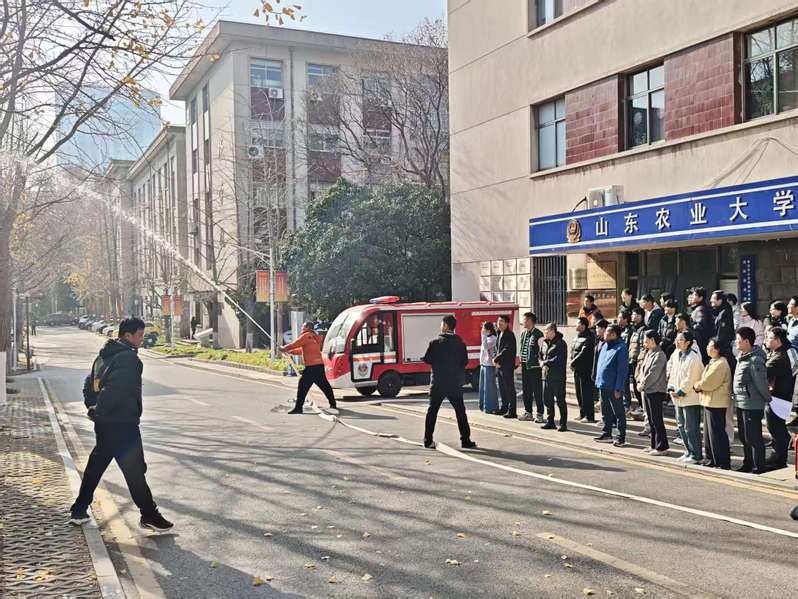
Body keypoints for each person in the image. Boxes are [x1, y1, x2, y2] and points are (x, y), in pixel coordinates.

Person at [69, 317, 173, 531]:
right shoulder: (128, 359)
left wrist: (92, 407)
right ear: (128, 335)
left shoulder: (105, 354)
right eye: (140, 335)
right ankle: (149, 515)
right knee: (134, 472)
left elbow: (90, 383)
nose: (142, 339)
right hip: (122, 424)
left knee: (96, 468)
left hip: (105, 424)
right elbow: (115, 390)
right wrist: (99, 409)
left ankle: (78, 510)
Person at [422, 315, 476, 449]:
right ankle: (465, 440)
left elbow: (427, 359)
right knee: (460, 411)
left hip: (438, 382)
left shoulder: (434, 343)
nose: (440, 326)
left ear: (445, 326)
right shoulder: (460, 344)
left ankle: (428, 440)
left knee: (432, 411)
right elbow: (464, 362)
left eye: (442, 324)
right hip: (454, 383)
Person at [733, 326, 770, 474]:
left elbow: (761, 383)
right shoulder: (742, 357)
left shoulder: (755, 360)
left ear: (747, 341)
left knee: (753, 437)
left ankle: (758, 466)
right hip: (741, 402)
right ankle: (748, 464)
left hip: (752, 404)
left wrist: (768, 399)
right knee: (744, 437)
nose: (736, 342)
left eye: (738, 340)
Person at [693, 338, 732, 470]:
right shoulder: (714, 362)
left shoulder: (721, 363)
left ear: (717, 349)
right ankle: (711, 458)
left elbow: (708, 382)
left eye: (710, 346)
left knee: (717, 433)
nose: (707, 348)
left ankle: (721, 461)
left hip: (717, 402)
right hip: (710, 401)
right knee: (709, 433)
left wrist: (697, 385)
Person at [282, 321, 337, 413]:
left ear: (307, 327)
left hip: (311, 367)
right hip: (319, 366)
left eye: (303, 327)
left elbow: (295, 344)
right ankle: (333, 403)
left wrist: (284, 348)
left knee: (302, 386)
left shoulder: (306, 335)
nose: (302, 328)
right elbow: (304, 350)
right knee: (325, 386)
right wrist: (291, 352)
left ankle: (298, 408)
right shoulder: (314, 337)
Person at [667, 331, 704, 464]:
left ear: (688, 343)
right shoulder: (677, 354)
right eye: (676, 340)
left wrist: (680, 392)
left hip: (690, 398)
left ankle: (696, 455)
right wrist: (671, 388)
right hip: (677, 398)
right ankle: (688, 451)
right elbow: (672, 372)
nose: (677, 342)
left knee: (691, 427)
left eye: (680, 340)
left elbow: (691, 378)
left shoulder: (693, 357)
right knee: (681, 426)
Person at [594, 324, 629, 447]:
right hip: (603, 384)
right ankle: (607, 433)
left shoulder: (621, 348)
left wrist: (618, 388)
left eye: (607, 333)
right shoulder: (604, 346)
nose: (605, 335)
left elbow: (622, 370)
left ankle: (621, 437)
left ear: (614, 335)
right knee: (605, 411)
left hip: (613, 387)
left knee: (618, 413)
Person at [764, 326, 793, 470]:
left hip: (778, 398)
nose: (766, 340)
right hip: (778, 397)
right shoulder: (777, 353)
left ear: (778, 340)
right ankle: (776, 457)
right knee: (775, 429)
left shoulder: (779, 357)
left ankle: (779, 460)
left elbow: (764, 371)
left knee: (777, 429)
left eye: (769, 338)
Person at [637, 330, 669, 455]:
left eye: (646, 340)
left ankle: (662, 447)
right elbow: (642, 370)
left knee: (657, 420)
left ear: (652, 340)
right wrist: (639, 382)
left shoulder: (660, 355)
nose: (644, 343)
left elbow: (653, 375)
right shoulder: (649, 353)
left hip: (656, 390)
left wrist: (642, 385)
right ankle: (654, 445)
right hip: (647, 390)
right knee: (651, 420)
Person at [541, 322, 568, 431]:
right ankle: (550, 421)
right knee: (547, 399)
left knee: (560, 400)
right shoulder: (545, 342)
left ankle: (563, 423)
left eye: (546, 331)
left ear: (553, 331)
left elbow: (559, 359)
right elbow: (540, 355)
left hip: (558, 377)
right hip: (547, 376)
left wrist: (546, 363)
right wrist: (542, 363)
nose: (545, 333)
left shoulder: (561, 343)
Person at [518, 312, 544, 422]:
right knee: (526, 390)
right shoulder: (524, 333)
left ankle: (540, 414)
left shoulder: (538, 334)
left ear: (530, 321)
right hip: (525, 366)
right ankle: (528, 412)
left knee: (537, 391)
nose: (523, 322)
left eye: (525, 320)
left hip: (535, 367)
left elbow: (542, 351)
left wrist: (542, 363)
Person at [570, 317, 596, 423]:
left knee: (586, 393)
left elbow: (583, 353)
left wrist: (573, 362)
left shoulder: (589, 337)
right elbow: (573, 350)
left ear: (583, 325)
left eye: (577, 323)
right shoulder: (577, 336)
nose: (576, 325)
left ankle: (589, 416)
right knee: (579, 393)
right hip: (577, 369)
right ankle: (582, 413)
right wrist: (572, 362)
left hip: (586, 369)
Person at [493, 315, 518, 419]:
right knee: (502, 388)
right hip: (499, 365)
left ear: (507, 323)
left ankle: (512, 411)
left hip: (507, 366)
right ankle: (504, 407)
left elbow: (507, 350)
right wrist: (495, 358)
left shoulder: (509, 335)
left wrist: (496, 358)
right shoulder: (499, 333)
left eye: (502, 321)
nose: (499, 323)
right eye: (498, 321)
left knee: (509, 388)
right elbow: (496, 349)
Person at [626, 307, 646, 416]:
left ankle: (643, 406)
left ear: (640, 316)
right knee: (634, 385)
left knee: (638, 385)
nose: (632, 316)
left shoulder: (643, 330)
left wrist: (640, 361)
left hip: (638, 362)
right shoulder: (634, 329)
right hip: (632, 361)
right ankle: (641, 405)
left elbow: (643, 347)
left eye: (634, 314)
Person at [478, 321, 499, 414]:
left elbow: (486, 347)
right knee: (482, 386)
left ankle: (490, 407)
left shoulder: (493, 338)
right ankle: (483, 405)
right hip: (483, 364)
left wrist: (483, 336)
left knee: (489, 387)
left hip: (489, 365)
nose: (482, 330)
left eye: (484, 328)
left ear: (489, 330)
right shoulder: (486, 338)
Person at [709, 290, 735, 363]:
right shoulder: (721, 310)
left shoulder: (724, 313)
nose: (711, 300)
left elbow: (722, 333)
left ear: (720, 300)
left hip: (723, 349)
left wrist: (715, 345)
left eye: (713, 298)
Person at [689, 287, 713, 364]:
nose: (692, 296)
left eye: (695, 295)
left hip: (701, 342)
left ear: (701, 298)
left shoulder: (700, 309)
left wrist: (690, 327)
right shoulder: (698, 308)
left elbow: (701, 325)